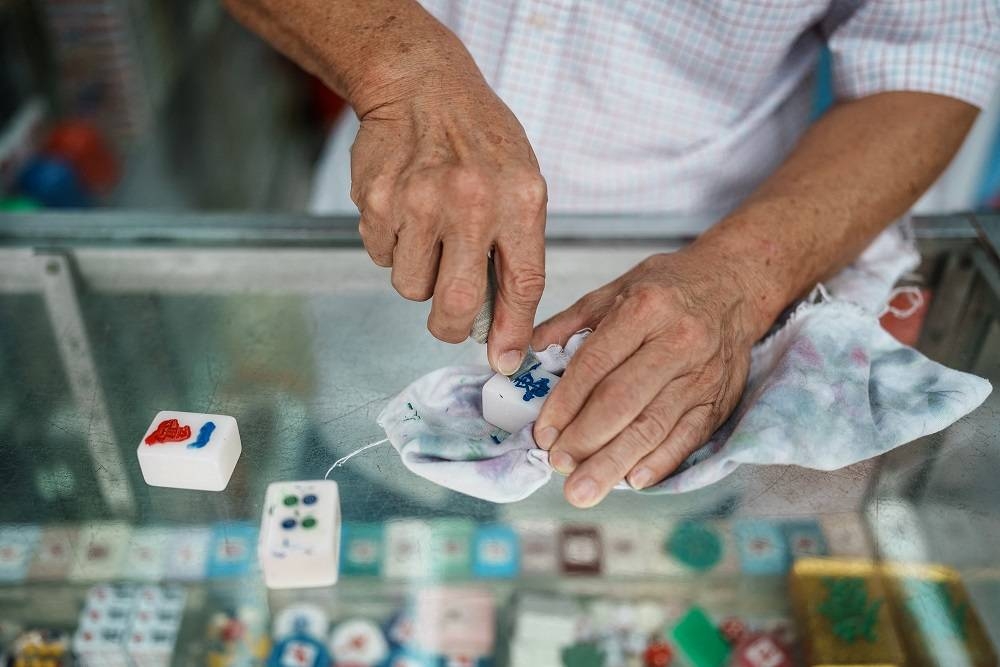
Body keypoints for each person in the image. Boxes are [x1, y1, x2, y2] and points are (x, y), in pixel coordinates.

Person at [225, 0, 998, 507]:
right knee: (363, 557)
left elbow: (935, 57)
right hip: (384, 283)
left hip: (682, 358)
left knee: (624, 606)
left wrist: (742, 281)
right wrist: (395, 63)